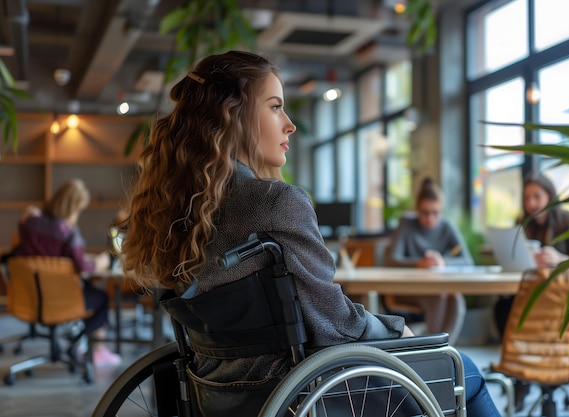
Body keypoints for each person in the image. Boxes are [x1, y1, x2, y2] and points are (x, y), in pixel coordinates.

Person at [116, 50, 501, 416]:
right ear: (233, 115)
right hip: (305, 392)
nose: (290, 124)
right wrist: (397, 331)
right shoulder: (276, 202)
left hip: (217, 394)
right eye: (275, 106)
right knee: (463, 370)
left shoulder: (171, 215)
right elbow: (337, 323)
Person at [493, 171, 569, 411]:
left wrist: (559, 258)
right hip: (531, 290)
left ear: (550, 196)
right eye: (527, 198)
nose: (531, 203)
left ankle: (527, 378)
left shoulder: (568, 221)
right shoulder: (522, 225)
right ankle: (520, 375)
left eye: (537, 196)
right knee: (503, 307)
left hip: (561, 296)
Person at [15, 179, 121, 368]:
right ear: (73, 207)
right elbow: (84, 267)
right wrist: (102, 261)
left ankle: (82, 344)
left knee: (87, 288)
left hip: (32, 297)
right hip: (62, 297)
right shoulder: (68, 232)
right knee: (102, 299)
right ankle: (89, 347)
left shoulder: (29, 222)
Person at [386, 176, 473, 344]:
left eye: (436, 213)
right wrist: (418, 264)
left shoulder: (447, 227)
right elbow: (391, 260)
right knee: (438, 295)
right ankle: (434, 349)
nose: (430, 218)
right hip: (409, 287)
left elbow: (467, 260)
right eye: (425, 213)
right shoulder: (406, 225)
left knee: (455, 298)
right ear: (417, 210)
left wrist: (443, 262)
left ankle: (444, 348)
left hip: (437, 287)